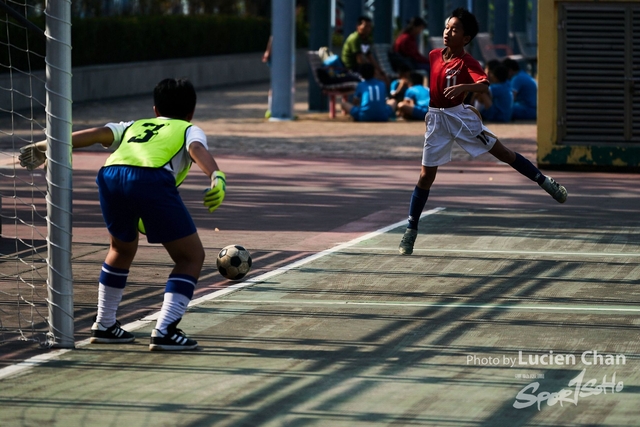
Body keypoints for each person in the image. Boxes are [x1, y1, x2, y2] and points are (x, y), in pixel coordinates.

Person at [19, 78, 226, 350]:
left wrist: (46, 146)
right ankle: (165, 330)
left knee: (120, 248)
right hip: (151, 179)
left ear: (154, 110)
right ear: (191, 112)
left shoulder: (134, 125)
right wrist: (216, 176)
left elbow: (97, 134)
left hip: (110, 174)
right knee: (191, 256)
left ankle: (104, 324)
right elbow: (196, 149)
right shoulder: (189, 129)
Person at [397, 8, 568, 256]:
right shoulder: (434, 55)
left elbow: (483, 83)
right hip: (436, 119)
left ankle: (545, 182)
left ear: (466, 38)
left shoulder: (468, 62)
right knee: (425, 176)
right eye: (446, 27)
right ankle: (411, 229)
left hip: (460, 118)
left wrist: (464, 90)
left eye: (454, 29)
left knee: (504, 154)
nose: (447, 32)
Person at [341, 15, 387, 83]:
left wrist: (380, 71)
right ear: (358, 27)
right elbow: (360, 59)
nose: (368, 29)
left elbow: (370, 57)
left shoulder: (366, 39)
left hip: (360, 67)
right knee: (378, 79)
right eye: (365, 26)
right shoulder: (355, 39)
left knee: (384, 77)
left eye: (369, 27)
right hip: (351, 69)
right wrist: (374, 72)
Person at [262, 35, 273, 118]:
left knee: (273, 88)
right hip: (275, 60)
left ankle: (270, 109)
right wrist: (268, 52)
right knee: (273, 88)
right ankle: (270, 109)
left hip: (274, 59)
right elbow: (271, 41)